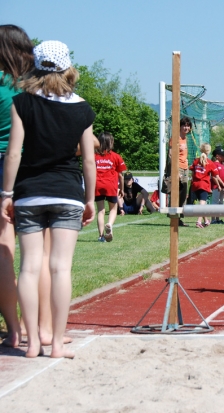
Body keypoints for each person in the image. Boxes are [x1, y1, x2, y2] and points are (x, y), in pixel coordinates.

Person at [2, 40, 96, 358]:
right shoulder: (82, 108)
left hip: (29, 192)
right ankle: (56, 343)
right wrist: (91, 199)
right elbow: (88, 160)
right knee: (60, 269)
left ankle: (30, 344)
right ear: (68, 68)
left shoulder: (21, 103)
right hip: (68, 191)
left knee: (28, 268)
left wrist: (7, 193)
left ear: (36, 67)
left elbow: (14, 152)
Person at [0, 24, 33, 348]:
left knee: (4, 247)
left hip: (4, 164)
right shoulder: (31, 87)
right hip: (31, 165)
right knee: (35, 250)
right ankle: (34, 325)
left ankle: (13, 329)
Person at [95, 132, 125, 242]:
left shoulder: (94, 156)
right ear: (111, 142)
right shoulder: (116, 156)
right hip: (111, 185)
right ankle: (109, 224)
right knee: (113, 208)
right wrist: (122, 189)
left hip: (97, 184)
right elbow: (121, 176)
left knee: (100, 211)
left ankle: (101, 236)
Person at [167, 116, 193, 226]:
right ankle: (173, 217)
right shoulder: (175, 138)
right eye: (184, 125)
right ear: (180, 126)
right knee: (176, 192)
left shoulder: (186, 138)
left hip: (185, 168)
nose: (186, 127)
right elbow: (171, 154)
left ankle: (180, 217)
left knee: (183, 194)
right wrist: (175, 171)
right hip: (177, 168)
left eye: (188, 125)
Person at [189, 143, 217, 228]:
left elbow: (193, 172)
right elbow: (215, 175)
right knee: (202, 202)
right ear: (209, 151)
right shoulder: (210, 162)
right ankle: (199, 221)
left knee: (203, 203)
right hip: (204, 184)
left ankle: (206, 220)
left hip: (195, 184)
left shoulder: (196, 161)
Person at [208, 147, 224, 225]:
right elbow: (216, 176)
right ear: (217, 156)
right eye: (222, 155)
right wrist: (222, 185)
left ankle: (218, 218)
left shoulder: (222, 165)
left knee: (221, 202)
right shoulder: (214, 164)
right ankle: (213, 219)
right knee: (215, 202)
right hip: (216, 187)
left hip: (222, 187)